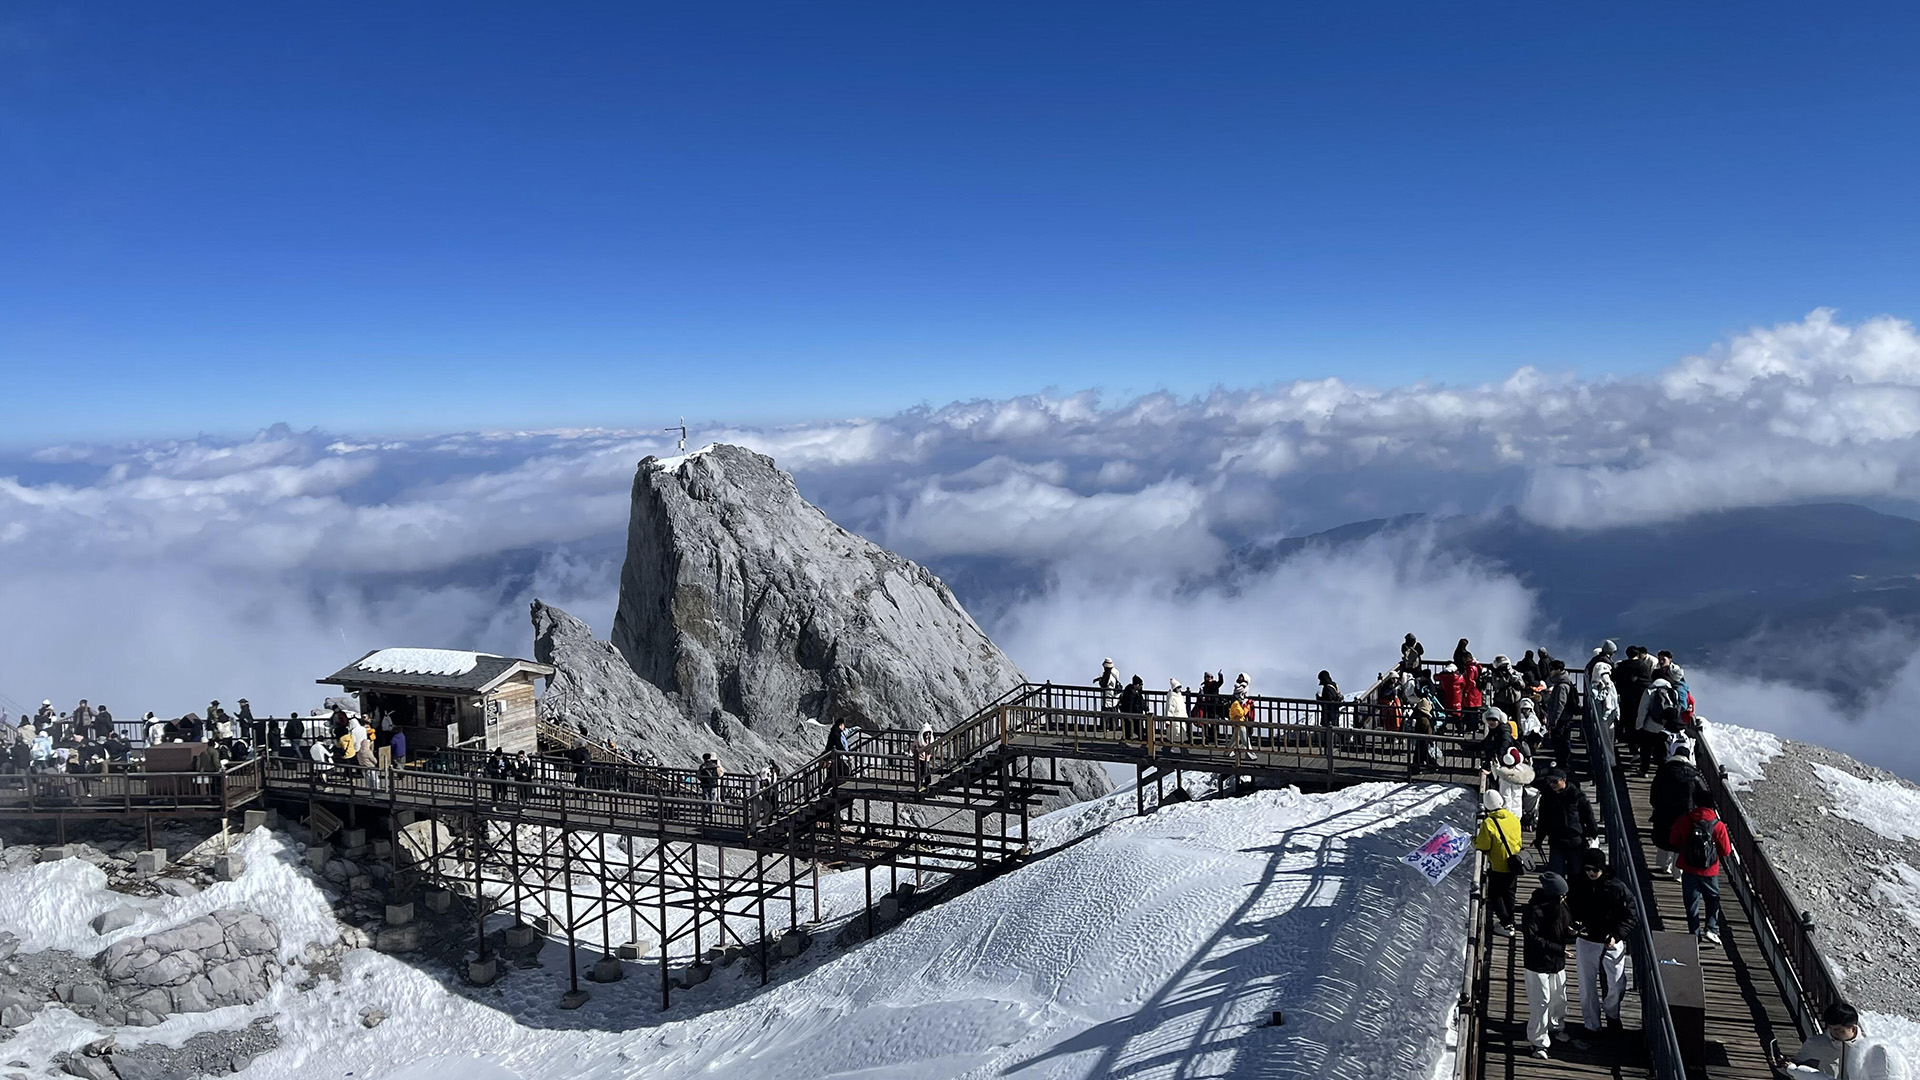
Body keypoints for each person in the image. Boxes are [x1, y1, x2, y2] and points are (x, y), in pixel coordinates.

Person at [1568, 847, 1636, 1033]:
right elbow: (1569, 910)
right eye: (1588, 868)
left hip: (1611, 941)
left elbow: (1631, 916)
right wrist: (1572, 926)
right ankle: (1592, 1025)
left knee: (1618, 984)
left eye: (1595, 869)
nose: (1591, 873)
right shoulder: (1577, 885)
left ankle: (1612, 1013)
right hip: (1587, 939)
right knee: (1586, 986)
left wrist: (1617, 935)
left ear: (1602, 869)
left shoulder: (1617, 888)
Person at [1520, 872, 1577, 1059]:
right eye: (1561, 896)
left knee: (1559, 997)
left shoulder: (1561, 907)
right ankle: (1538, 1042)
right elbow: (1533, 939)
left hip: (1556, 963)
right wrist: (1559, 949)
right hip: (1537, 964)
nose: (1564, 899)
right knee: (1541, 1001)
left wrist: (1572, 932)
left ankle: (1555, 1026)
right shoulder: (1533, 911)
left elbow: (1564, 929)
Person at [1775, 1000, 1912, 1078]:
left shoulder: (1868, 1050)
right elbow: (1797, 1063)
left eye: (1839, 1030)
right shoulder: (1816, 1043)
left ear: (1853, 1028)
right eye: (1831, 1028)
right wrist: (1783, 1065)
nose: (1834, 1033)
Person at [1671, 790, 1733, 945]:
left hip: (1689, 868)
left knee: (1691, 902)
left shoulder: (1685, 819)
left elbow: (1673, 840)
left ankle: (1694, 934)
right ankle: (1711, 928)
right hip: (1709, 870)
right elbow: (1726, 851)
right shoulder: (1717, 825)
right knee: (1713, 899)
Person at [1650, 741, 1711, 877]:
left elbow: (1654, 791)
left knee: (1664, 838)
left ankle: (1664, 866)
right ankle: (1678, 873)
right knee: (1682, 842)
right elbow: (1704, 797)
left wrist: (1655, 805)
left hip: (1663, 812)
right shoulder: (1693, 775)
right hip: (1686, 815)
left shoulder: (1664, 770)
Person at [1474, 789, 1525, 935]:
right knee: (1510, 894)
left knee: (1496, 896)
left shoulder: (1489, 823)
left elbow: (1483, 845)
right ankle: (1511, 921)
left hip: (1499, 866)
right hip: (1514, 863)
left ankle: (1506, 924)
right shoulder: (1513, 818)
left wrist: (1473, 840)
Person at [1532, 769, 1598, 877]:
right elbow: (1543, 820)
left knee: (1576, 874)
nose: (1552, 784)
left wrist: (1593, 835)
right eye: (1550, 782)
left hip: (1575, 841)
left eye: (1555, 782)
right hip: (1556, 840)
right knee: (1556, 875)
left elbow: (1589, 817)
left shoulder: (1578, 796)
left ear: (1564, 780)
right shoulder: (1547, 798)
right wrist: (1539, 838)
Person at [1491, 744, 1537, 825]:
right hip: (1517, 812)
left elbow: (1506, 798)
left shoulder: (1507, 779)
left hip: (1509, 813)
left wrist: (1504, 814)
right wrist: (1496, 767)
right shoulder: (1520, 772)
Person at [1118, 675, 1149, 740]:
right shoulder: (1130, 693)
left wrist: (1146, 708)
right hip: (1132, 714)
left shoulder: (1137, 692)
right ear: (1136, 685)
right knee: (1130, 727)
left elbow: (1141, 701)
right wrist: (1129, 715)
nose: (1141, 686)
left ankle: (1138, 737)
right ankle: (1128, 738)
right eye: (1140, 684)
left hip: (1137, 713)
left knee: (1136, 727)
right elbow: (1129, 704)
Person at [1164, 678, 1190, 743]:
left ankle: (1181, 749)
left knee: (1181, 735)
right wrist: (1168, 722)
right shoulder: (1172, 697)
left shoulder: (1180, 696)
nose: (1179, 689)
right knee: (1175, 736)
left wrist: (1186, 718)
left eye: (1180, 687)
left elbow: (1183, 709)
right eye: (1178, 688)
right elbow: (1169, 710)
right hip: (1175, 720)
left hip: (1182, 718)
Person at [914, 723, 935, 788]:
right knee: (923, 770)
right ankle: (923, 783)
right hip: (921, 757)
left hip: (926, 757)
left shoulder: (929, 740)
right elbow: (913, 746)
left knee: (925, 770)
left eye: (928, 733)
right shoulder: (919, 740)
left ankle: (925, 782)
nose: (927, 735)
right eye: (926, 733)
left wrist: (930, 754)